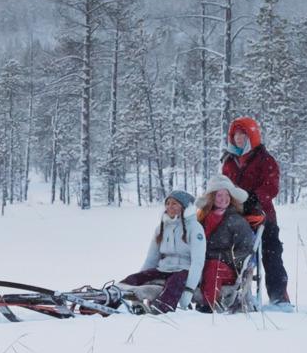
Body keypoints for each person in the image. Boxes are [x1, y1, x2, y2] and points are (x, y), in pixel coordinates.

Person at [219, 116, 290, 306]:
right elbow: (224, 184)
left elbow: (272, 186)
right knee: (230, 252)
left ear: (252, 136)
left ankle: (279, 296)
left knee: (272, 253)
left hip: (263, 215)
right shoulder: (229, 161)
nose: (239, 139)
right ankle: (228, 291)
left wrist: (254, 197)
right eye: (236, 136)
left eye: (243, 135)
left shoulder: (265, 159)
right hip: (235, 216)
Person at [122, 190, 204, 313]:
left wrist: (189, 290)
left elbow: (198, 262)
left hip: (185, 270)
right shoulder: (161, 228)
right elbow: (151, 259)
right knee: (132, 279)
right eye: (168, 203)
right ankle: (107, 298)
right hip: (164, 269)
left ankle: (162, 308)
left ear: (185, 207)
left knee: (175, 281)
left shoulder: (195, 228)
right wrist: (141, 278)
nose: (169, 207)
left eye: (174, 204)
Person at [196, 183, 255, 311]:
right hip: (200, 264)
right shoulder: (201, 219)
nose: (224, 198)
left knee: (213, 267)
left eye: (227, 194)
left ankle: (208, 305)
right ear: (212, 198)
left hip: (228, 267)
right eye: (219, 195)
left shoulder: (237, 220)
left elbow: (245, 249)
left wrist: (226, 260)